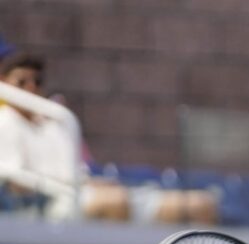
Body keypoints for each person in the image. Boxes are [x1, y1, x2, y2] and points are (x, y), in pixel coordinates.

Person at [0, 52, 218, 224]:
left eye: (37, 81)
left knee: (201, 205)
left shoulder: (56, 123)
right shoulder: (5, 121)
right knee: (117, 203)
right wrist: (71, 187)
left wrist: (96, 184)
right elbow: (17, 185)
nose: (31, 87)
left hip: (87, 194)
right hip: (49, 208)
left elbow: (78, 173)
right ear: (5, 83)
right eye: (22, 82)